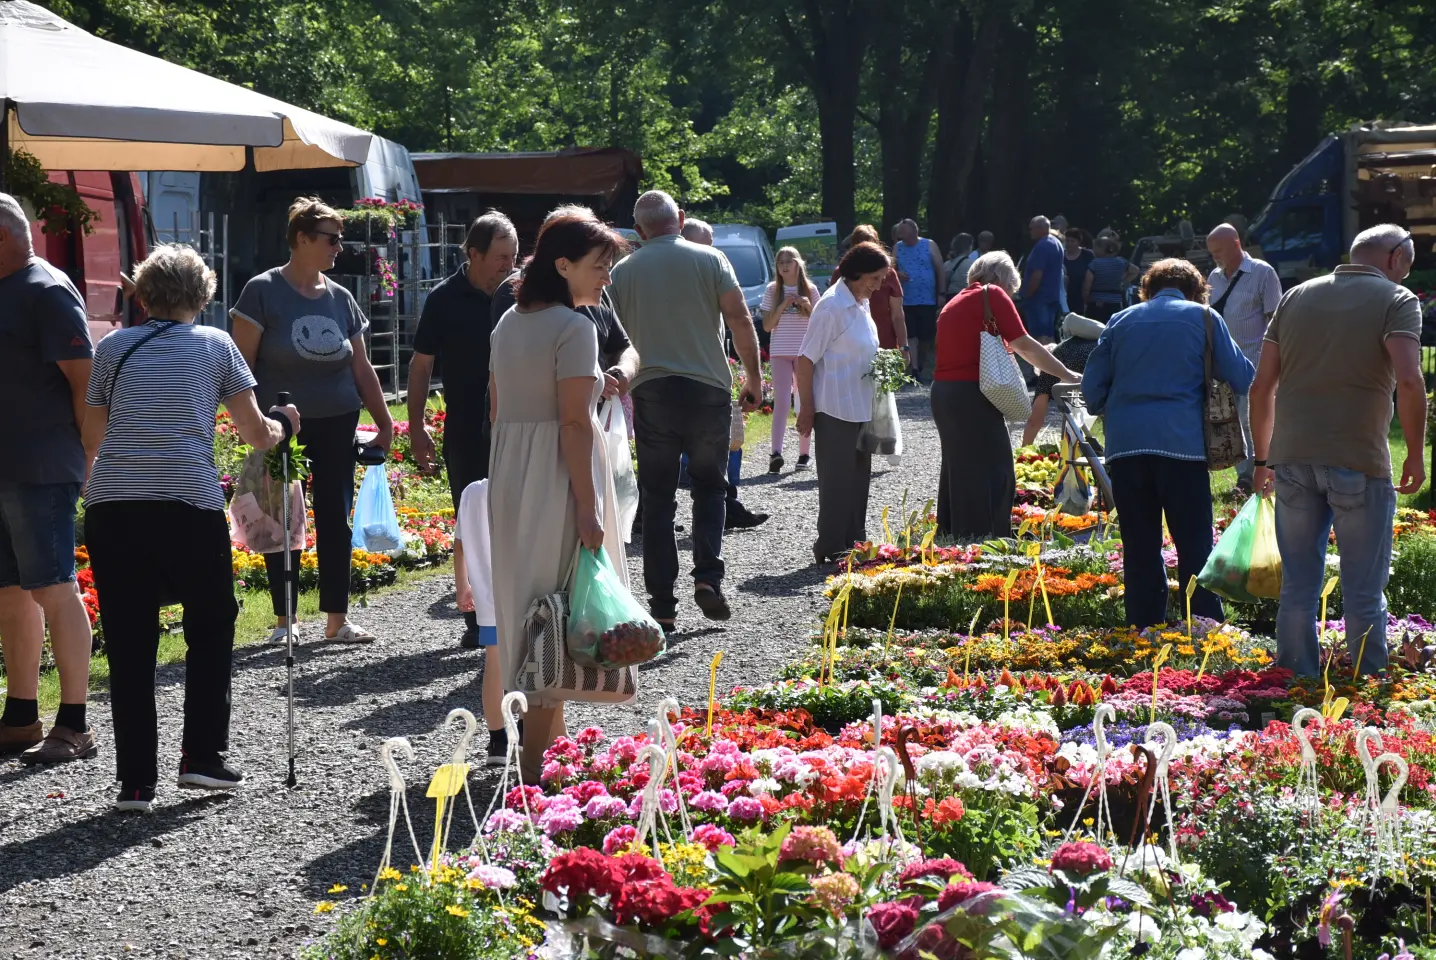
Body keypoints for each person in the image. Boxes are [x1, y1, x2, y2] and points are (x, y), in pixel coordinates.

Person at [81, 244, 300, 811]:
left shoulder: (112, 347)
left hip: (115, 506)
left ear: (142, 293)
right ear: (202, 295)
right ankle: (201, 758)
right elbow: (254, 433)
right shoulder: (216, 346)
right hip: (188, 504)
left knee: (129, 640)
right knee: (211, 623)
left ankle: (134, 780)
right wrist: (282, 426)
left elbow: (92, 435)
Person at [487, 210, 629, 780]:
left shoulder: (508, 324)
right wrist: (588, 504)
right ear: (562, 264)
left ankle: (553, 764)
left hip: (513, 473)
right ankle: (535, 778)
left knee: (530, 611)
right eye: (601, 267)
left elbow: (499, 408)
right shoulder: (575, 329)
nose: (607, 280)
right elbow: (573, 423)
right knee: (555, 612)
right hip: (556, 474)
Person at [1251, 225, 1427, 678]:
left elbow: (1261, 387)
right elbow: (1409, 380)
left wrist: (1262, 460)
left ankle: (1294, 683)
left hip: (1291, 459)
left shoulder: (1295, 297)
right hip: (1359, 460)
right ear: (1394, 258)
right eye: (1407, 262)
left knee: (1298, 586)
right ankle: (1368, 688)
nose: (1406, 273)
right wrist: (1414, 453)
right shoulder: (1396, 300)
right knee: (1364, 591)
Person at [231, 197, 394, 646]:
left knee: (333, 518)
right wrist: (251, 420)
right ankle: (286, 623)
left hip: (338, 421)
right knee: (281, 520)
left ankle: (336, 621)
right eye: (331, 238)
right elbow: (239, 364)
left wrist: (384, 421)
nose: (339, 247)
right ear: (302, 239)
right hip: (280, 427)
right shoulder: (261, 291)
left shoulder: (341, 298)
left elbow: (361, 368)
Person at [609, 191, 763, 631]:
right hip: (707, 389)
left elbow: (611, 339)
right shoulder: (711, 260)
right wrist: (753, 377)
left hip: (652, 392)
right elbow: (738, 319)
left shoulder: (622, 272)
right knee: (711, 487)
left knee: (657, 499)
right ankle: (708, 578)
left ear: (638, 231)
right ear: (679, 217)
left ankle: (662, 604)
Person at [1082, 258, 1254, 629]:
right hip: (1182, 445)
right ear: (1197, 291)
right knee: (1194, 545)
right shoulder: (1205, 318)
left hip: (1126, 447)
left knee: (1140, 546)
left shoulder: (1120, 320)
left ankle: (1143, 628)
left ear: (1147, 289)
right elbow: (1242, 378)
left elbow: (1092, 391)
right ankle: (1204, 627)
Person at [0, 192, 98, 765]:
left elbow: (85, 384)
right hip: (9, 467)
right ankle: (21, 714)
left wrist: (85, 460)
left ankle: (75, 722)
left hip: (41, 468)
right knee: (12, 592)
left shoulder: (46, 290)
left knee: (54, 587)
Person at [409, 211, 518, 655]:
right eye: (499, 257)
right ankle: (477, 620)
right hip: (467, 427)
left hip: (517, 424)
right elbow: (421, 366)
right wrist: (416, 427)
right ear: (473, 254)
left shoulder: (521, 296)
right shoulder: (443, 299)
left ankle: (515, 613)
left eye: (514, 256)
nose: (508, 266)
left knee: (517, 519)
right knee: (471, 521)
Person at [931, 252, 1080, 540]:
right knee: (996, 466)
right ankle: (988, 536)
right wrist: (1067, 374)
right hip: (971, 393)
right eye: (1012, 287)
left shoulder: (956, 300)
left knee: (959, 465)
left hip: (945, 392)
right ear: (1000, 278)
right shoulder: (993, 294)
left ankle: (954, 532)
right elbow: (1023, 344)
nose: (1011, 295)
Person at [797, 242, 891, 564]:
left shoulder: (860, 304)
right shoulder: (831, 306)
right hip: (834, 407)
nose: (878, 286)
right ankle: (830, 547)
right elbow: (805, 360)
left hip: (861, 407)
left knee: (858, 480)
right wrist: (807, 408)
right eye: (875, 278)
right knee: (836, 481)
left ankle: (854, 544)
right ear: (857, 272)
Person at [678, 218, 768, 530]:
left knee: (730, 439)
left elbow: (737, 321)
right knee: (700, 446)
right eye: (706, 245)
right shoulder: (680, 277)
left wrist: (748, 374)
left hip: (711, 371)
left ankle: (728, 502)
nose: (712, 252)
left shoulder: (709, 272)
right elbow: (740, 319)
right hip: (688, 375)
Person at [1206, 223, 1284, 494]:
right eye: (1211, 252)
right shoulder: (1213, 278)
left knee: (1255, 421)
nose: (1215, 256)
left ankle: (1257, 475)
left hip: (1256, 362)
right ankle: (1246, 477)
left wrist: (1276, 364)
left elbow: (1277, 321)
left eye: (1219, 251)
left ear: (1236, 244)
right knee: (1234, 424)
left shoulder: (1263, 273)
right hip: (1224, 366)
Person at [760, 246, 820, 474]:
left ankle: (804, 454)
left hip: (805, 353)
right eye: (780, 262)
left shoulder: (811, 289)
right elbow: (767, 326)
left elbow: (821, 322)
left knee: (804, 402)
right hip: (780, 352)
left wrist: (805, 304)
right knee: (782, 402)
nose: (785, 265)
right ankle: (776, 453)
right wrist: (784, 304)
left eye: (789, 261)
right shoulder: (772, 290)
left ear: (798, 264)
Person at [1021, 313, 1105, 448]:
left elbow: (1035, 420)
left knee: (1075, 417)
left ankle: (1074, 455)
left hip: (1094, 370)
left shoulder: (1051, 363)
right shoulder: (1089, 343)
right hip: (1110, 366)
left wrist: (1023, 454)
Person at [831, 225, 908, 354]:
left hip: (885, 347)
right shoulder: (841, 273)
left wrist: (903, 346)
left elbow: (897, 315)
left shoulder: (888, 274)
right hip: (851, 348)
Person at [893, 219, 946, 382]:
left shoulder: (929, 245)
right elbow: (890, 269)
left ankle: (921, 363)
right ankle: (914, 368)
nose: (901, 236)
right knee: (911, 336)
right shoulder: (898, 247)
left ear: (914, 232)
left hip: (927, 299)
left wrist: (941, 293)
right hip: (906, 299)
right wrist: (898, 274)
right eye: (900, 233)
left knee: (925, 337)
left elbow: (940, 269)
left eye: (904, 233)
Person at [1017, 216, 1065, 345]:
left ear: (1041, 228)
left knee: (1040, 336)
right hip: (1052, 296)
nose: (1030, 231)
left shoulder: (1042, 246)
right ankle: (1050, 363)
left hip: (1039, 297)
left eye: (1032, 228)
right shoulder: (1056, 243)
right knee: (1049, 335)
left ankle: (1040, 365)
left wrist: (1027, 294)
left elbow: (1037, 274)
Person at [1083, 235, 1131, 321]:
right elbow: (1136, 270)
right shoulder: (1121, 262)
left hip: (1097, 303)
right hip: (1116, 302)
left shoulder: (1094, 264)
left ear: (1100, 249)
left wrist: (1086, 301)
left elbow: (1087, 286)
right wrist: (1122, 281)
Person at [1063, 228, 1095, 319]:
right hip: (1066, 296)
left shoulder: (1087, 255)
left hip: (1082, 296)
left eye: (1072, 241)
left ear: (1078, 242)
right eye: (1067, 241)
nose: (1069, 244)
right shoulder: (1061, 255)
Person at [942, 234, 976, 302]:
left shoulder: (946, 264)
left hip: (950, 300)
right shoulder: (973, 264)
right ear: (969, 246)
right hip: (966, 298)